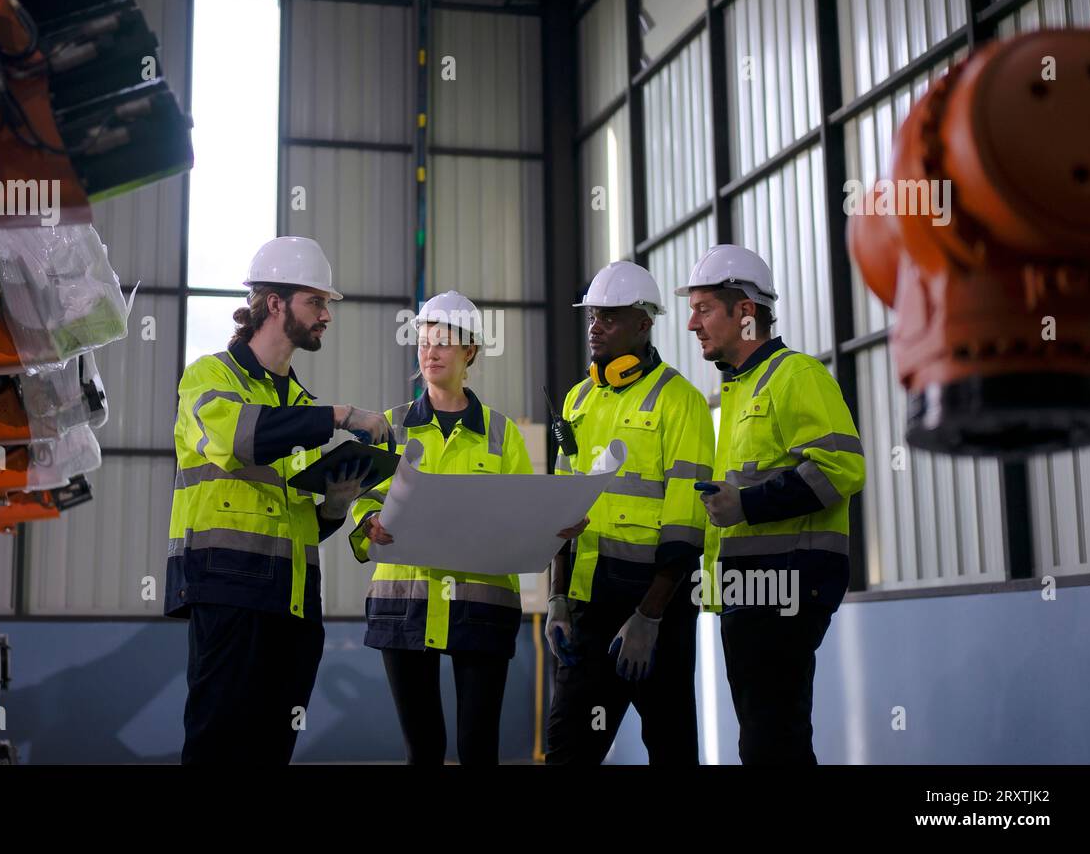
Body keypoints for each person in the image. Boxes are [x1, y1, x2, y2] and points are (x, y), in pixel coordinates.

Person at [166, 235, 393, 765]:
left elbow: (300, 524)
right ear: (274, 303)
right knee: (216, 747)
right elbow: (238, 439)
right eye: (316, 302)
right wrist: (339, 415)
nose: (325, 316)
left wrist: (336, 506)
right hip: (227, 591)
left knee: (272, 752)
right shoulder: (210, 377)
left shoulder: (298, 403)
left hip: (292, 604)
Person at [348, 290, 583, 764]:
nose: (431, 351)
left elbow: (522, 512)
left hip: (480, 608)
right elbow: (363, 503)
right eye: (424, 340)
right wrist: (368, 523)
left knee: (479, 749)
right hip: (405, 607)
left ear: (471, 350)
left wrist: (553, 524)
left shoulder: (501, 433)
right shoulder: (391, 426)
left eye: (445, 341)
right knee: (424, 748)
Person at [679, 244, 865, 764]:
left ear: (745, 312)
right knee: (766, 739)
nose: (692, 323)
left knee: (770, 739)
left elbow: (841, 467)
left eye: (704, 309)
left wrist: (748, 506)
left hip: (787, 587)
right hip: (748, 588)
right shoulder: (737, 391)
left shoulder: (795, 375)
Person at [544, 261, 715, 765]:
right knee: (568, 749)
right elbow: (560, 511)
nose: (595, 328)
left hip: (657, 608)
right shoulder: (577, 400)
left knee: (670, 746)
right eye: (592, 317)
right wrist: (556, 598)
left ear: (644, 324)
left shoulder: (679, 401)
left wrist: (649, 616)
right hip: (587, 607)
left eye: (609, 318)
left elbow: (687, 525)